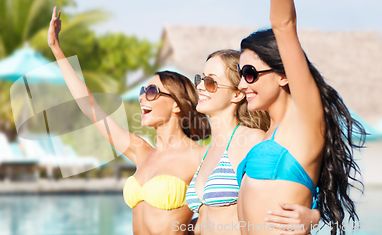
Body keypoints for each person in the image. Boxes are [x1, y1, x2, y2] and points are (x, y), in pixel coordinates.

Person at [48, 7, 210, 234]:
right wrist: (56, 49)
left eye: (152, 91)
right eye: (143, 90)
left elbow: (227, 209)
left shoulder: (200, 156)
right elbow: (90, 107)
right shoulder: (140, 151)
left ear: (176, 104)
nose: (142, 96)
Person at [236, 1, 366, 234]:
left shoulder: (304, 123)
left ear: (284, 75)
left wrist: (314, 216)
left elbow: (283, 24)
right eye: (240, 74)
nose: (241, 84)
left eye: (249, 74)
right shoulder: (268, 132)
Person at [186, 50, 320, 235]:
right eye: (200, 79)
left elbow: (292, 183)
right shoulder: (207, 150)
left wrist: (314, 216)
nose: (200, 86)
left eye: (210, 82)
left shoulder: (252, 140)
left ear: (237, 95)